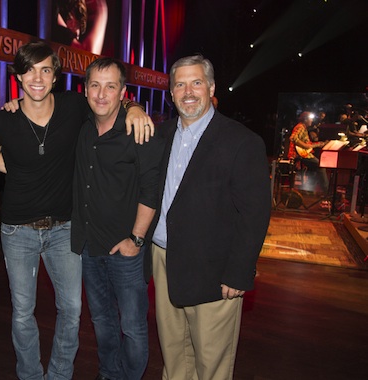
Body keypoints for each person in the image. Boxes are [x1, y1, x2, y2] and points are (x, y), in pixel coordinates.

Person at [0, 41, 152, 380]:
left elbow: (109, 101)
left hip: (64, 229)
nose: (38, 77)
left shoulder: (75, 106)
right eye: (29, 69)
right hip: (18, 230)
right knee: (22, 313)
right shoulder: (2, 119)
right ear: (18, 76)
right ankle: (31, 375)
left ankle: (60, 374)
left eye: (46, 69)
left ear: (56, 77)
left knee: (73, 309)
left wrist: (134, 107)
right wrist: (18, 169)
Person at [147, 55, 271, 380]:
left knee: (211, 364)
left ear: (212, 87)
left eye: (196, 82)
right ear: (171, 92)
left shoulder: (241, 142)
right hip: (164, 260)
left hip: (214, 271)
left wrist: (239, 271)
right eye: (180, 84)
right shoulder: (160, 136)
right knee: (174, 358)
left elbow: (255, 214)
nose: (188, 91)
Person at [71, 57, 164, 380]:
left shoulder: (139, 131)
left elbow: (151, 193)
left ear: (122, 92)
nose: (101, 94)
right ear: (85, 91)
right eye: (95, 85)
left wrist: (135, 240)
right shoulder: (83, 129)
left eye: (110, 86)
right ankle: (109, 375)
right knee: (102, 322)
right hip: (90, 248)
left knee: (133, 328)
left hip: (127, 252)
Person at [288, 111, 328, 193]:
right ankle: (326, 191)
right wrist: (305, 146)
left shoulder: (303, 128)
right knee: (320, 165)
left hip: (303, 154)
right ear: (305, 119)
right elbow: (293, 138)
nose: (311, 121)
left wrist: (320, 144)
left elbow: (308, 145)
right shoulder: (300, 127)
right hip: (299, 155)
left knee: (313, 169)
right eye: (310, 119)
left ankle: (308, 189)